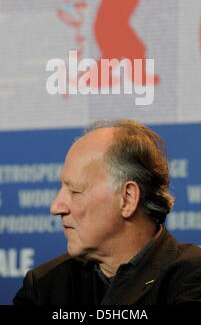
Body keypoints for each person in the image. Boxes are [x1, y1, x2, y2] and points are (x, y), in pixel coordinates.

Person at [13, 119, 201, 306]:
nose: (56, 207)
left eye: (75, 191)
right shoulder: (43, 285)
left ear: (127, 198)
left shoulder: (192, 277)